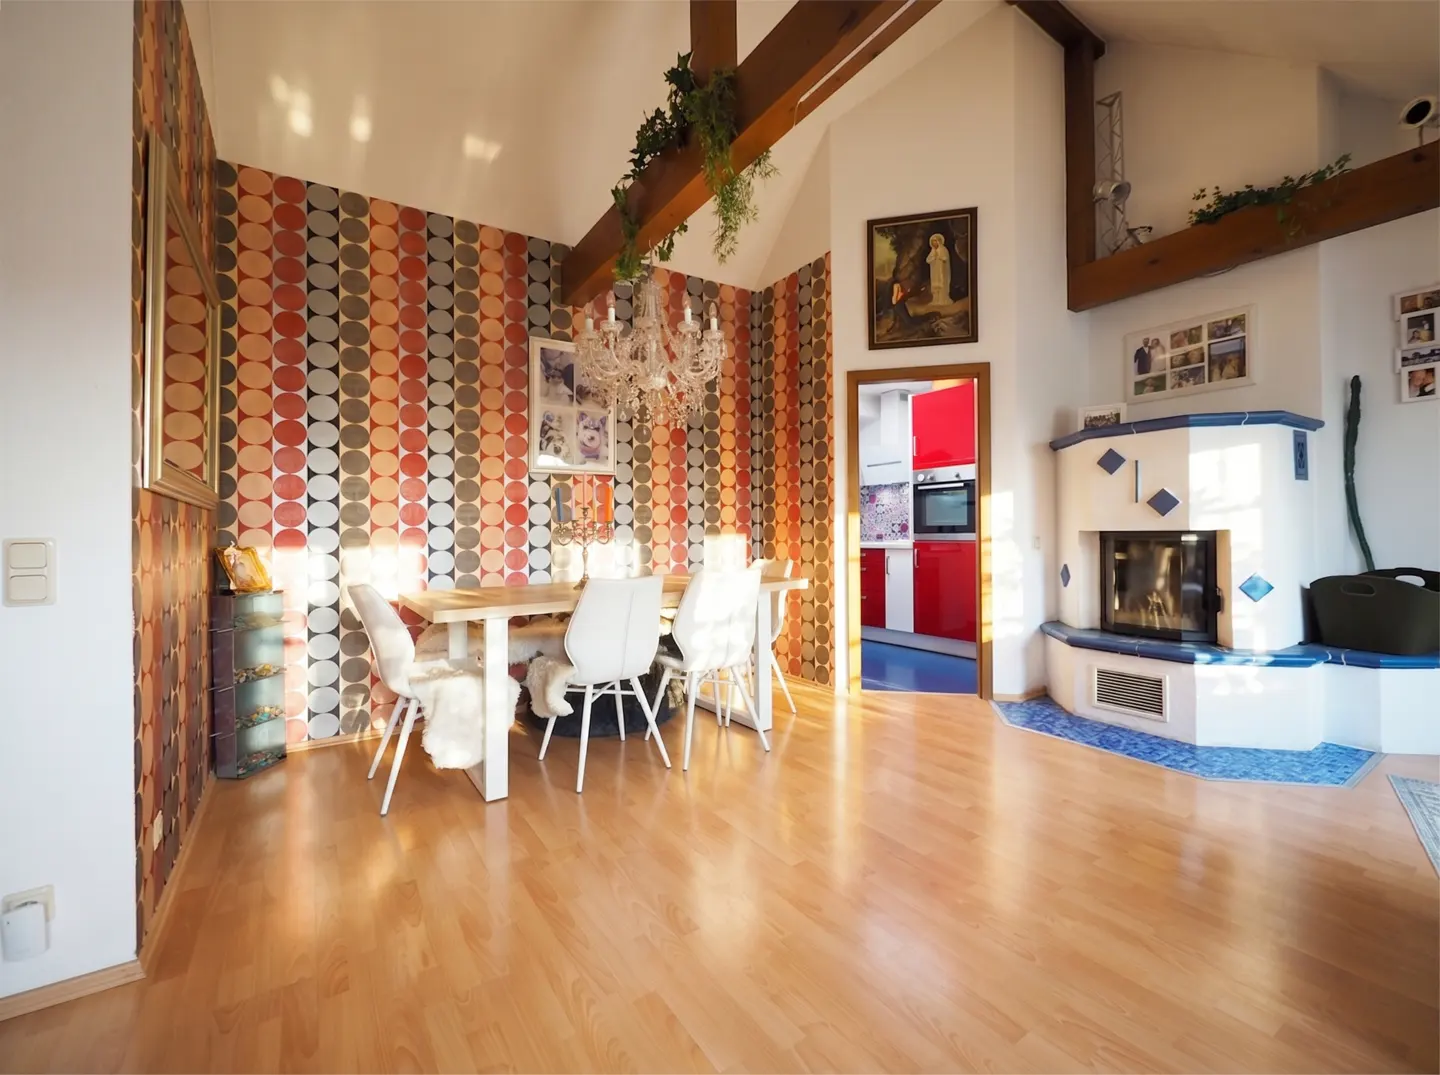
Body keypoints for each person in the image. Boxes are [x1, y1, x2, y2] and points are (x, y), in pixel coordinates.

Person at [926, 233, 950, 307]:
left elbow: (945, 258)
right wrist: (933, 257)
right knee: (935, 286)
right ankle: (936, 300)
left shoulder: (943, 249)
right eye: (933, 241)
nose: (934, 243)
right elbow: (928, 260)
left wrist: (939, 256)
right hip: (934, 271)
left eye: (935, 241)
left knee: (942, 285)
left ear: (939, 241)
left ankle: (943, 300)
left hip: (942, 271)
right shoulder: (932, 251)